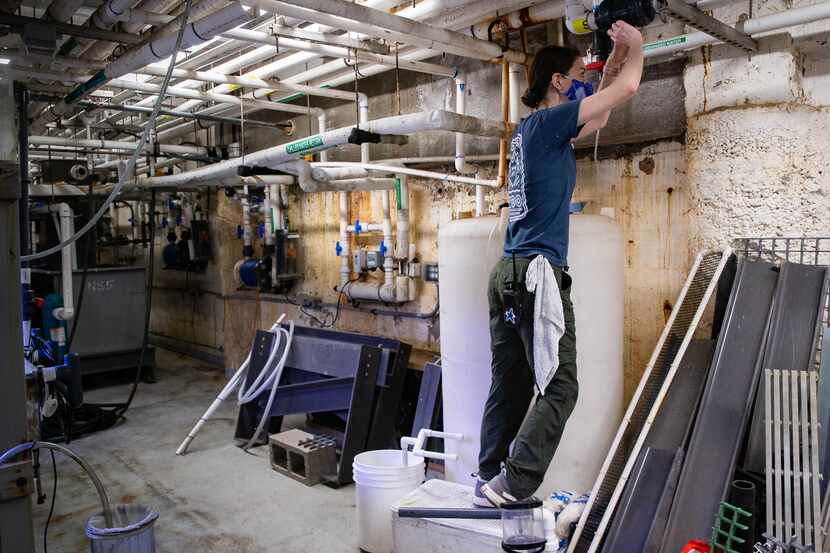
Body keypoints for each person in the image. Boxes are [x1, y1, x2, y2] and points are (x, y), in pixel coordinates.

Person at [474, 21, 645, 507]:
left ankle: (486, 479)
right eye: (574, 75)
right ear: (558, 82)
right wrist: (638, 45)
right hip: (535, 275)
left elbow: (605, 111)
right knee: (561, 386)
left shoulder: (534, 134)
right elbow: (628, 88)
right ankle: (513, 485)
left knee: (509, 386)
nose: (581, 81)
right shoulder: (550, 125)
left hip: (507, 275)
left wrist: (613, 58)